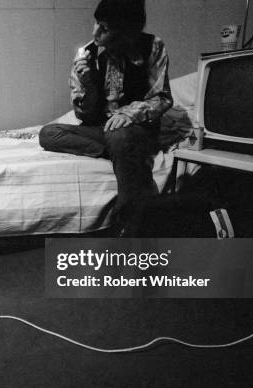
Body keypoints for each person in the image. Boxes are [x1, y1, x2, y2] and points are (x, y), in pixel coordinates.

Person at [39, 0, 173, 235]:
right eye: (96, 23)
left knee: (119, 135)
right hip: (102, 129)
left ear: (126, 31)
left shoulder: (152, 46)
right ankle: (121, 152)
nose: (95, 32)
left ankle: (128, 220)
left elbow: (161, 98)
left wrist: (128, 113)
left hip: (136, 128)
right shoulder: (88, 55)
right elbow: (85, 114)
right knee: (48, 134)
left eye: (105, 28)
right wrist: (89, 84)